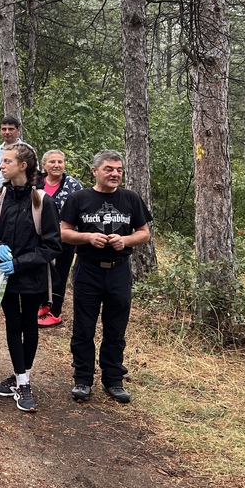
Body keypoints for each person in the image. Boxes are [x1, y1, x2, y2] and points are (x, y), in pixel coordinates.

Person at [60, 149, 152, 404]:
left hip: (119, 270)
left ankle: (113, 380)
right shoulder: (79, 199)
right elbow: (63, 232)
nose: (115, 174)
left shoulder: (131, 199)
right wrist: (88, 237)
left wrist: (125, 240)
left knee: (115, 328)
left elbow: (144, 233)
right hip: (87, 268)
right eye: (109, 169)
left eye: (119, 170)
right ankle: (83, 379)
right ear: (95, 171)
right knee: (84, 327)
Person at [0, 143, 62, 412]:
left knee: (29, 324)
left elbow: (52, 245)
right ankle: (21, 378)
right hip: (3, 276)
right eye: (2, 161)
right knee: (12, 324)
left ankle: (22, 381)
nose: (1, 166)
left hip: (32, 276)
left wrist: (18, 263)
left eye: (7, 161)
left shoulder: (42, 201)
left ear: (23, 166)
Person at [35, 149, 83, 327]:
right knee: (40, 271)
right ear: (44, 164)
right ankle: (42, 305)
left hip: (64, 239)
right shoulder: (36, 182)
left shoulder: (73, 185)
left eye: (60, 162)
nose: (56, 165)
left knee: (59, 274)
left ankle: (55, 312)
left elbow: (81, 212)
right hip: (39, 238)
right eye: (52, 162)